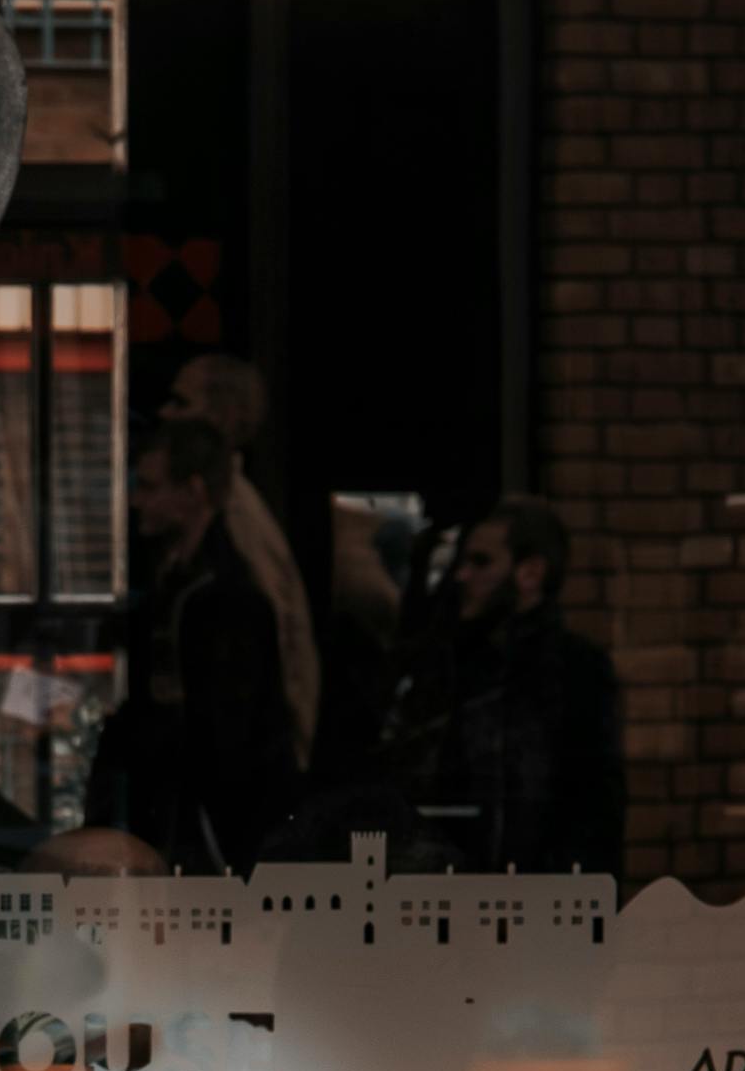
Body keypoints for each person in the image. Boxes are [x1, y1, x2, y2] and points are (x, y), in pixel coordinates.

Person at [298, 496, 624, 878]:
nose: (462, 576)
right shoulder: (453, 662)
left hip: (532, 897)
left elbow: (594, 807)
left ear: (531, 572)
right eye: (464, 560)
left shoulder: (575, 670)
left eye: (481, 562)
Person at [57, 417, 298, 873]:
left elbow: (226, 736)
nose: (136, 500)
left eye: (150, 486)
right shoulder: (181, 584)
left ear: (193, 491)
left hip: (216, 823)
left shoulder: (222, 595)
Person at [160, 353, 324, 767]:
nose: (167, 415)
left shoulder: (236, 513)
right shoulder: (227, 508)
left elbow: (282, 640)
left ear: (225, 417)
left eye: (182, 403)